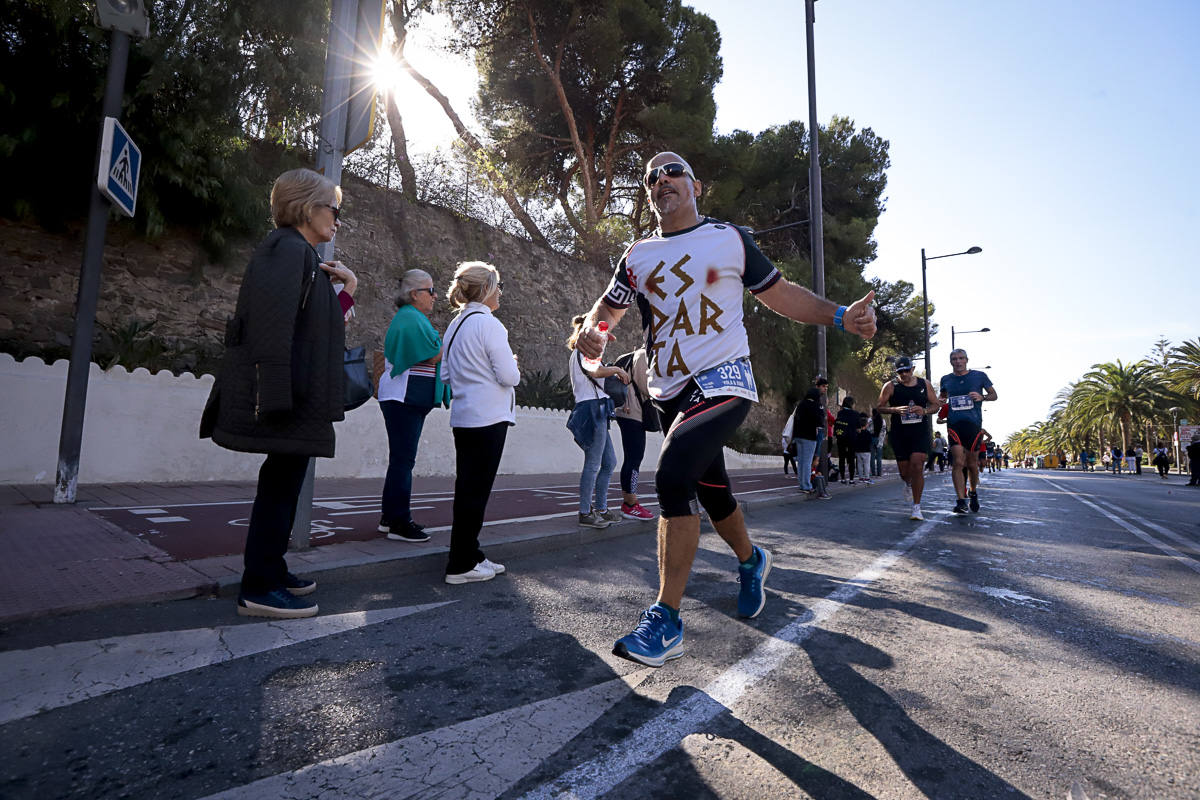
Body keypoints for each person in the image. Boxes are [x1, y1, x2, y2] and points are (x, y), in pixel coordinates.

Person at [576, 151, 876, 667]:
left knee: (672, 477)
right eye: (651, 176)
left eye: (673, 171)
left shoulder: (729, 238)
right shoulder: (638, 254)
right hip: (668, 391)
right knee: (713, 494)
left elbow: (781, 295)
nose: (660, 179)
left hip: (724, 380)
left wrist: (841, 315)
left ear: (696, 186)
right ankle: (752, 559)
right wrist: (593, 331)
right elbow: (608, 308)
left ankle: (665, 620)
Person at [201, 168, 356, 619]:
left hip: (298, 393)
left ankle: (272, 568)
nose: (337, 220)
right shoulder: (285, 251)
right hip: (289, 393)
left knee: (284, 483)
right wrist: (275, 393)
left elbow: (318, 325)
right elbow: (272, 331)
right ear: (308, 207)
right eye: (334, 209)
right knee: (278, 486)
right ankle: (259, 586)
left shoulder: (300, 255)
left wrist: (348, 290)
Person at [439, 261, 519, 584]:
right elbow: (509, 376)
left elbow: (445, 375)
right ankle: (460, 564)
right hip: (489, 417)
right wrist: (512, 363)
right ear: (486, 289)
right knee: (477, 491)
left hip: (463, 417)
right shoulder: (491, 326)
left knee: (467, 489)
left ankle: (469, 553)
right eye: (498, 286)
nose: (500, 292)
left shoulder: (454, 326)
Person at [377, 269, 451, 543]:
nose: (435, 296)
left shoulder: (413, 318)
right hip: (403, 397)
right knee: (403, 461)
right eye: (430, 290)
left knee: (400, 460)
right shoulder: (410, 318)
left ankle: (390, 517)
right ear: (414, 294)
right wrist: (443, 344)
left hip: (405, 398)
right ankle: (399, 522)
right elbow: (434, 354)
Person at [567, 315, 628, 528]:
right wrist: (617, 370)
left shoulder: (585, 352)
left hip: (598, 409)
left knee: (609, 462)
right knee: (593, 464)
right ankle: (586, 512)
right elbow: (596, 371)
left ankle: (601, 508)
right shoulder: (583, 351)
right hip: (591, 409)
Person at [877, 356, 939, 520]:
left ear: (912, 369)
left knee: (917, 465)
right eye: (900, 372)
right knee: (905, 472)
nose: (904, 374)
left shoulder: (924, 384)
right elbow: (879, 407)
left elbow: (936, 405)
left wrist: (924, 411)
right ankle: (908, 484)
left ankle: (917, 508)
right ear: (896, 372)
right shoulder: (890, 386)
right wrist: (896, 410)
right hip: (900, 433)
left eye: (907, 370)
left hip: (920, 432)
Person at [939, 348, 997, 514]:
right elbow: (942, 397)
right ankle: (960, 500)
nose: (958, 361)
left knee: (972, 464)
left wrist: (982, 397)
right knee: (958, 462)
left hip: (973, 424)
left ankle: (973, 492)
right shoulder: (946, 379)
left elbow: (994, 395)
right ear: (951, 361)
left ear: (966, 360)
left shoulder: (979, 376)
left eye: (961, 358)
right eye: (954, 359)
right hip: (954, 425)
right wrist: (939, 401)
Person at [612, 348, 657, 520]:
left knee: (632, 458)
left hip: (625, 412)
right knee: (634, 458)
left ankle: (630, 501)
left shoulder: (628, 356)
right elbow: (647, 386)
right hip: (633, 413)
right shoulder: (643, 356)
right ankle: (630, 504)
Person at [789, 388, 823, 494]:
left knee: (801, 462)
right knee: (807, 462)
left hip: (798, 436)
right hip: (809, 437)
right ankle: (807, 486)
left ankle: (801, 484)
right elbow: (820, 421)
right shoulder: (816, 405)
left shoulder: (801, 404)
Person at [834, 396, 859, 484]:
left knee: (841, 458)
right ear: (851, 404)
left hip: (841, 437)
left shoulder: (840, 413)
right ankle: (851, 479)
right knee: (851, 459)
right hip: (851, 438)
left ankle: (843, 478)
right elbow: (858, 427)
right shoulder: (855, 414)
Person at [853, 413, 873, 485]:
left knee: (859, 464)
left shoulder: (857, 433)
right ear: (866, 425)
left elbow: (855, 441)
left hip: (858, 451)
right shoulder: (868, 433)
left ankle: (861, 477)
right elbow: (870, 441)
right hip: (866, 451)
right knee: (866, 464)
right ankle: (867, 477)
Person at [870, 408, 885, 478]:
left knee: (872, 457)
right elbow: (884, 432)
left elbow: (868, 430)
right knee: (879, 457)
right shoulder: (883, 421)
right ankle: (879, 473)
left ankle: (873, 473)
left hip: (872, 439)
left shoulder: (870, 420)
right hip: (879, 440)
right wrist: (881, 441)